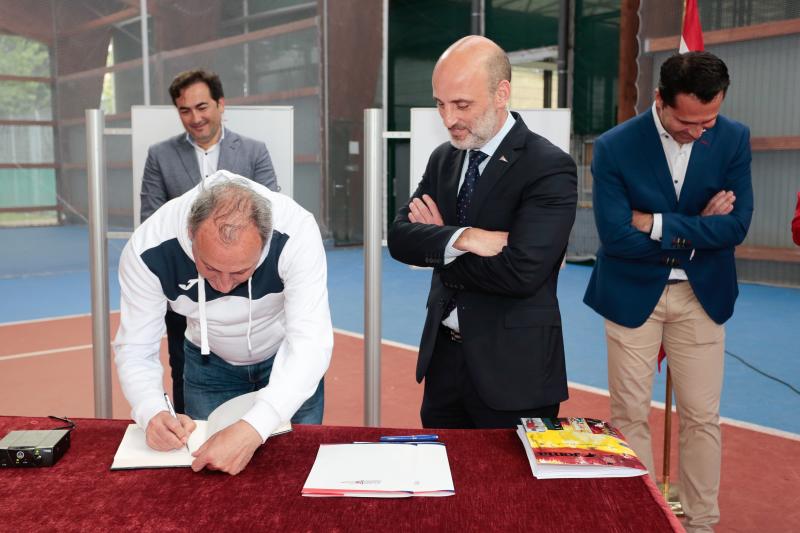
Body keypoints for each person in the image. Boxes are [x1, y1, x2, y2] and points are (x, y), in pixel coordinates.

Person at [583, 51, 753, 532]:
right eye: (687, 122)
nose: (700, 132)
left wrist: (654, 223)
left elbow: (737, 226)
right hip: (632, 294)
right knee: (629, 415)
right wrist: (700, 229)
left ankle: (702, 524)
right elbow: (615, 235)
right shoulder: (616, 147)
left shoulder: (734, 138)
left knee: (703, 418)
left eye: (710, 120)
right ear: (659, 100)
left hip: (702, 297)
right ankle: (639, 521)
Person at [387, 36, 577, 429]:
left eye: (461, 105)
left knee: (509, 492)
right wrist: (467, 238)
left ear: (501, 93)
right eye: (440, 104)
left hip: (513, 374)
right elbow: (401, 237)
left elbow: (522, 273)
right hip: (443, 367)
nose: (448, 119)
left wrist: (440, 247)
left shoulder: (548, 167)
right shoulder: (444, 159)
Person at [114, 170, 332, 475]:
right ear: (191, 232)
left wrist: (255, 427)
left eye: (242, 272)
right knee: (211, 479)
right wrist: (151, 409)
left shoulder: (297, 232)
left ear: (265, 240)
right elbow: (135, 347)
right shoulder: (147, 249)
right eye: (210, 268)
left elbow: (311, 342)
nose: (225, 286)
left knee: (295, 473)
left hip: (286, 359)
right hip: (208, 368)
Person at [140, 69, 279, 413]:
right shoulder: (160, 156)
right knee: (181, 366)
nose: (195, 118)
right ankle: (193, 436)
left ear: (220, 104)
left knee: (266, 376)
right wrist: (202, 259)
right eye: (185, 110)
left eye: (202, 107)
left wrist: (230, 261)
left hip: (249, 290)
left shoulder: (253, 151)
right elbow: (151, 217)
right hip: (186, 288)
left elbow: (272, 213)